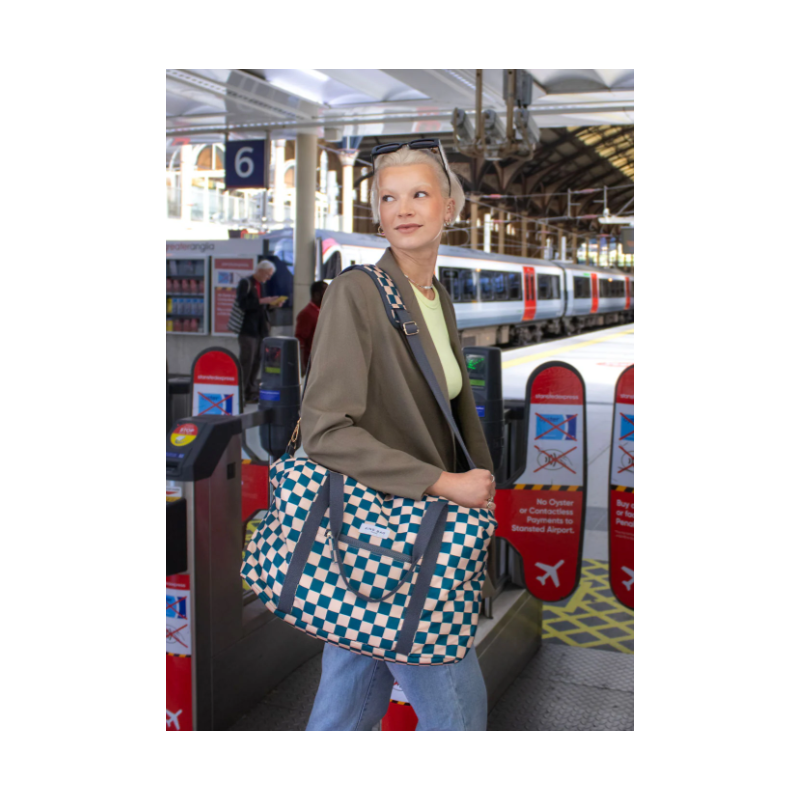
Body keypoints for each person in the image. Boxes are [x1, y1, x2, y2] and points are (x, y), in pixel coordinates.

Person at [300, 139, 496, 731]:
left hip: (399, 541)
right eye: (389, 197)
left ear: (450, 208)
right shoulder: (357, 293)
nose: (403, 208)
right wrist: (443, 483)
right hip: (392, 540)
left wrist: (477, 489)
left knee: (345, 710)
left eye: (419, 193)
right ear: (377, 214)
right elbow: (325, 431)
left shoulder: (438, 300)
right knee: (461, 719)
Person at [236, 260, 285, 404]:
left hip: (260, 329)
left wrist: (272, 304)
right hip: (248, 329)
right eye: (268, 274)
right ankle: (241, 392)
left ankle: (251, 391)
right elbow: (242, 304)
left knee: (257, 361)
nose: (268, 278)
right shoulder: (246, 283)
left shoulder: (261, 285)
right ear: (260, 271)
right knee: (247, 361)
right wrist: (262, 301)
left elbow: (262, 307)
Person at [294, 280, 328, 376]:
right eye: (326, 292)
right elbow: (300, 340)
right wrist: (301, 365)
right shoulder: (307, 314)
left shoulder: (319, 311)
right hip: (312, 362)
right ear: (317, 295)